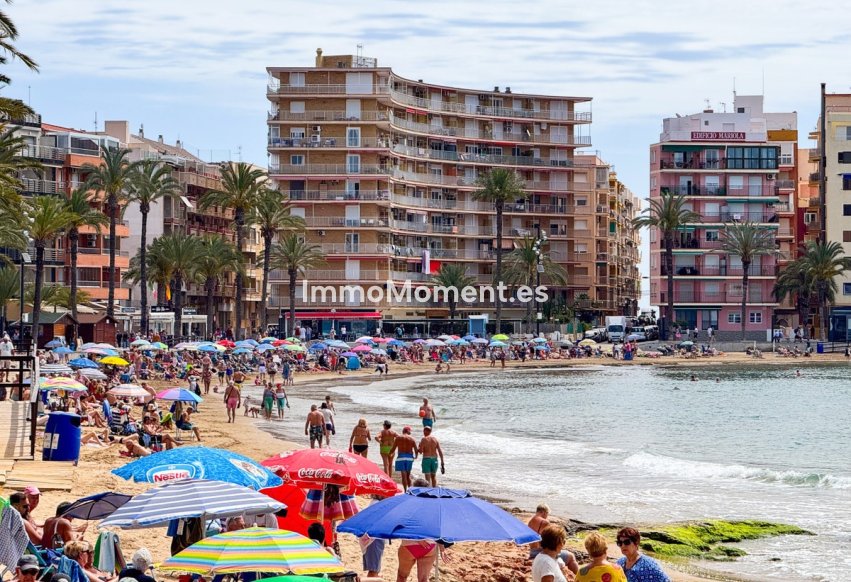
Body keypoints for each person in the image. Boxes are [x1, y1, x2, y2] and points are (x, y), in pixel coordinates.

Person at [528, 504, 579, 573]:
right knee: (571, 556)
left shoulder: (530, 522)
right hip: (542, 553)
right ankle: (578, 578)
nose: (547, 516)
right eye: (547, 514)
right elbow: (549, 540)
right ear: (544, 512)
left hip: (532, 552)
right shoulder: (544, 522)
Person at [391, 426, 418, 491]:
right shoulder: (412, 439)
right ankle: (410, 490)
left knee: (403, 475)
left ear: (403, 431)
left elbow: (393, 449)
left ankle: (405, 491)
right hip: (409, 457)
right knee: (408, 475)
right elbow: (416, 450)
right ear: (408, 431)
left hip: (401, 457)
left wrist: (390, 454)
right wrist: (416, 456)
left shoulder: (398, 438)